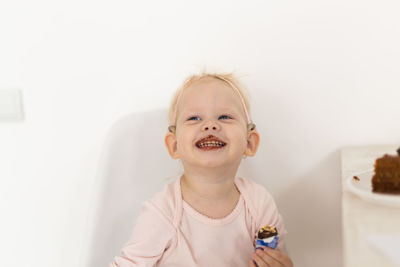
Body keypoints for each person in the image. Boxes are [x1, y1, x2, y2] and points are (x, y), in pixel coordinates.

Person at [110, 72, 293, 267]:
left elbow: (272, 255)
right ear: (174, 145)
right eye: (194, 118)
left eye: (224, 116)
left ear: (250, 142)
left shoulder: (259, 203)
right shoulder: (163, 212)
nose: (210, 125)